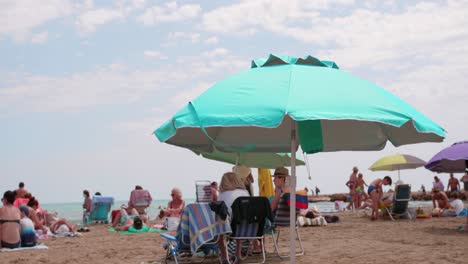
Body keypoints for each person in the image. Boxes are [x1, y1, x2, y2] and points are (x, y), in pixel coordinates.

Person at [217, 172, 250, 263]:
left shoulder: (223, 194)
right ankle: (238, 253)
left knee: (218, 226)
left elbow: (220, 211)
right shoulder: (245, 192)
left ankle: (224, 256)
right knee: (239, 220)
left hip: (230, 227)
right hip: (247, 226)